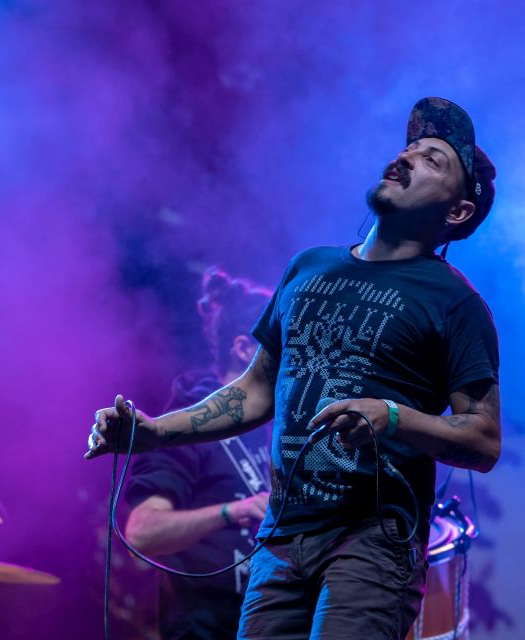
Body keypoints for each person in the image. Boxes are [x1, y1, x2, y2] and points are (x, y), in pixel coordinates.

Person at [88, 96, 501, 640]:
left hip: (373, 543)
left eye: (431, 159)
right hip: (280, 541)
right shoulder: (308, 268)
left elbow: (484, 440)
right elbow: (256, 390)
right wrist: (154, 433)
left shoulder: (455, 303)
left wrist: (393, 417)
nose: (404, 158)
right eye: (408, 149)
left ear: (458, 211)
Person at [123, 269, 272, 639]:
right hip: (206, 625)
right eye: (281, 348)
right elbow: (142, 532)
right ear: (243, 348)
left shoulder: (271, 427)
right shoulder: (188, 423)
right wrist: (233, 511)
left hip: (265, 621)